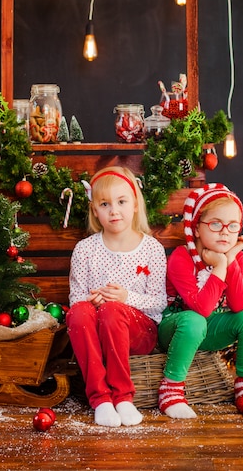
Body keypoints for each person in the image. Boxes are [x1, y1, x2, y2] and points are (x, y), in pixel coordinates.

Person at [157, 182, 243, 419]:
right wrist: (220, 266)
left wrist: (229, 261)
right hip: (175, 328)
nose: (225, 232)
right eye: (215, 224)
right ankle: (170, 390)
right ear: (197, 228)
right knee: (194, 321)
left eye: (233, 226)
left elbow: (240, 304)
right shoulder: (182, 257)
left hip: (210, 329)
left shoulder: (236, 258)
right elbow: (201, 308)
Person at [66, 167, 167, 427]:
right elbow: (76, 298)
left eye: (121, 201)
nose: (114, 210)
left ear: (134, 204)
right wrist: (91, 302)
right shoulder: (85, 250)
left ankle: (123, 397)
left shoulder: (152, 249)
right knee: (78, 312)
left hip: (139, 331)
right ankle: (100, 399)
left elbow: (159, 302)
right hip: (97, 329)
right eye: (105, 204)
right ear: (95, 211)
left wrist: (125, 298)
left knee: (112, 311)